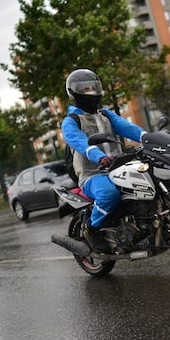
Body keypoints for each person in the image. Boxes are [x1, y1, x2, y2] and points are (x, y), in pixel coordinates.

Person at [61, 68, 147, 252]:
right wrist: (100, 157)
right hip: (92, 174)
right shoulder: (71, 121)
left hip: (119, 167)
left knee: (149, 180)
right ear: (74, 92)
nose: (90, 92)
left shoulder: (106, 115)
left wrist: (148, 137)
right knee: (109, 194)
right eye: (84, 89)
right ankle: (91, 229)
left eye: (93, 87)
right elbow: (82, 143)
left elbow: (129, 128)